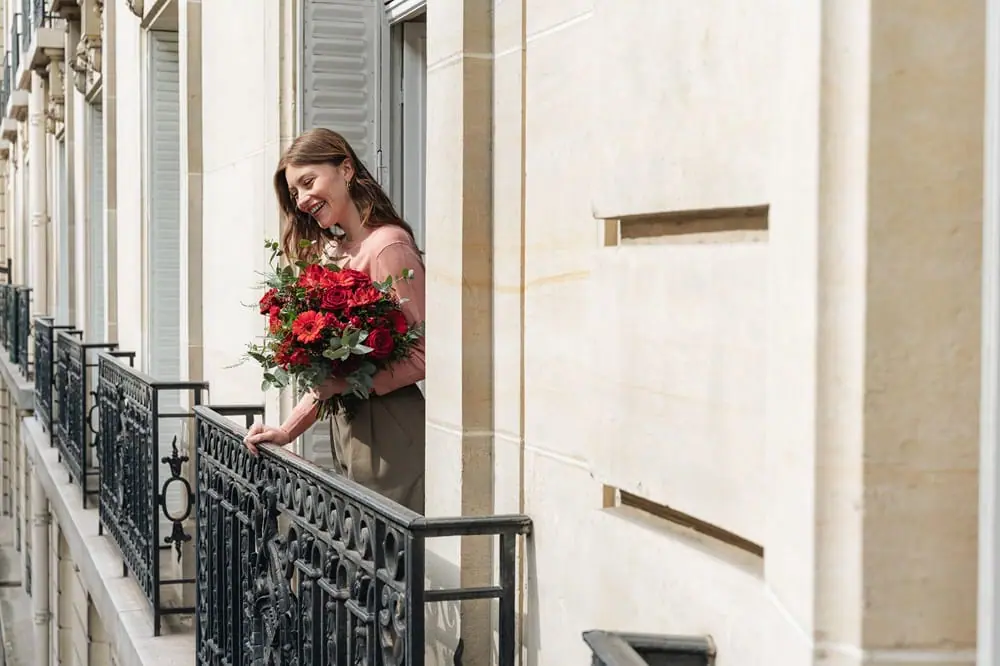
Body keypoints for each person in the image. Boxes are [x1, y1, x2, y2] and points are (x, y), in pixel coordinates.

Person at [243, 128, 426, 513]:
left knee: (389, 559)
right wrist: (286, 430)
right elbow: (327, 377)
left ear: (345, 169)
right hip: (349, 428)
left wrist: (350, 383)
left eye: (308, 182)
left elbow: (425, 355)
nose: (303, 199)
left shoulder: (388, 246)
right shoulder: (335, 254)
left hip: (392, 432)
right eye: (295, 193)